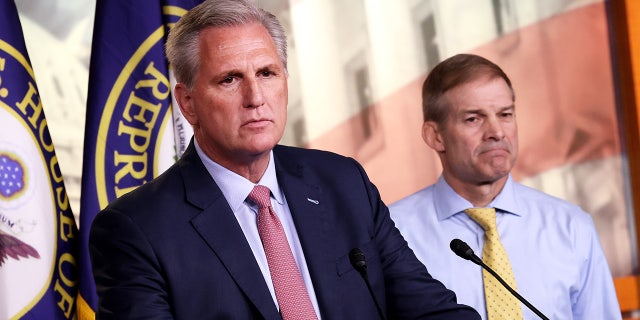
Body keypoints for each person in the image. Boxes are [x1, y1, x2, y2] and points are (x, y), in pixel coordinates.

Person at [88, 1, 481, 319]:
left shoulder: (342, 182)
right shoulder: (135, 230)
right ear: (187, 102)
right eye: (230, 79)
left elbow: (429, 310)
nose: (255, 97)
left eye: (267, 73)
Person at [389, 53, 621, 319]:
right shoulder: (392, 233)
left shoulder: (571, 227)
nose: (497, 132)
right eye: (473, 119)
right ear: (435, 136)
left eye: (505, 114)